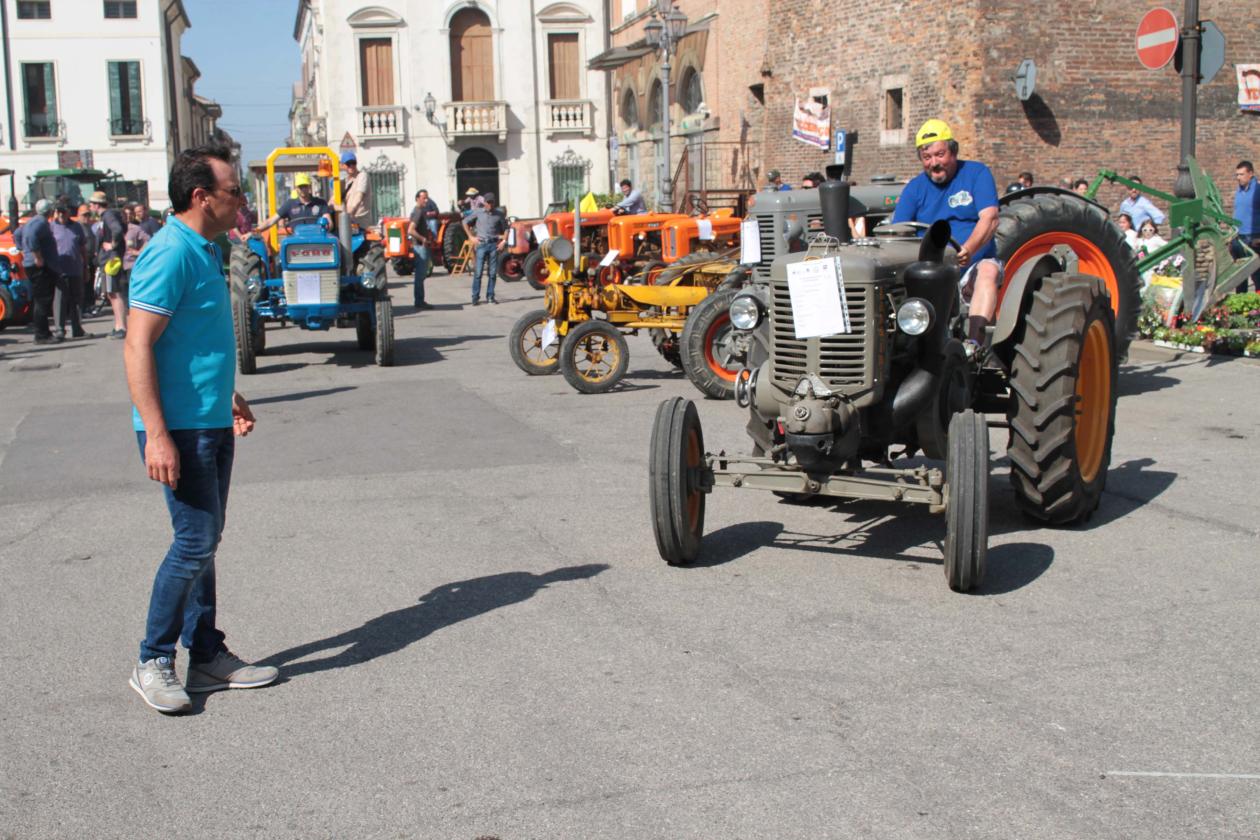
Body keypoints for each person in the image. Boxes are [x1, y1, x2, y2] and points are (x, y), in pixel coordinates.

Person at [123, 143, 277, 715]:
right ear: (201, 195)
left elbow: (196, 342)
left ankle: (206, 655)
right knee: (194, 541)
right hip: (179, 427)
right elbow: (138, 344)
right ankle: (153, 659)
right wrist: (157, 434)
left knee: (205, 541)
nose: (242, 200)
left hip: (207, 417)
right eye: (235, 190)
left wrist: (228, 395)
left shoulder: (207, 248)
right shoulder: (170, 253)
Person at [892, 118, 1001, 353]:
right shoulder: (915, 188)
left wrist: (968, 250)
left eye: (939, 155)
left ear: (953, 151)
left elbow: (990, 218)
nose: (934, 163)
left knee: (989, 271)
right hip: (930, 267)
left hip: (972, 265)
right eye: (927, 157)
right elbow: (898, 230)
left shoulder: (976, 173)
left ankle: (974, 346)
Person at [17, 199, 61, 344]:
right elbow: (30, 237)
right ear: (49, 211)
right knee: (42, 300)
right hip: (38, 266)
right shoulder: (40, 222)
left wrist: (23, 249)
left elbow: (18, 233)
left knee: (41, 300)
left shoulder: (32, 221)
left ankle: (44, 333)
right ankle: (41, 335)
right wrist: (37, 256)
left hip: (34, 265)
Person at [91, 190, 129, 338]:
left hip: (110, 260)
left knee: (114, 292)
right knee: (112, 292)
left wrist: (112, 245)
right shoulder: (109, 215)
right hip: (110, 259)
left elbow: (118, 230)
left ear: (96, 205)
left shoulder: (107, 215)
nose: (91, 207)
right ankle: (119, 325)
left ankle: (121, 327)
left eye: (92, 204)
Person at [461, 191, 508, 306]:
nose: (490, 205)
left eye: (492, 202)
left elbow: (506, 228)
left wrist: (503, 241)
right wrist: (471, 237)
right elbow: (464, 222)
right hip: (481, 245)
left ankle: (490, 297)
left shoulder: (499, 214)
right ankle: (475, 297)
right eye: (488, 202)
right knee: (478, 273)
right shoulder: (478, 212)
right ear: (484, 202)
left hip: (493, 246)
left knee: (492, 273)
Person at [50, 201, 88, 339]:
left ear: (68, 213)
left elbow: (82, 248)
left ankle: (77, 329)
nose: (61, 214)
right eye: (58, 212)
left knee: (76, 301)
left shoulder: (76, 226)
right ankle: (59, 330)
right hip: (59, 270)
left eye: (63, 212)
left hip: (75, 269)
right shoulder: (51, 227)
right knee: (59, 300)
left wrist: (85, 268)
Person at [252, 173, 331, 235]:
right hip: (296, 242)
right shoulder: (290, 204)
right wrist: (255, 231)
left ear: (309, 187)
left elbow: (328, 222)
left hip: (317, 239)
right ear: (296, 188)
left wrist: (327, 225)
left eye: (305, 186)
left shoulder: (321, 203)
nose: (303, 189)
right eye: (300, 187)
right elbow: (271, 221)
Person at [1230, 160, 1259, 293]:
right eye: (1237, 175)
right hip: (1238, 237)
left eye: (1241, 174)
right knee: (1240, 275)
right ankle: (1241, 304)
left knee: (1256, 274)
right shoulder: (1239, 191)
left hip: (1253, 237)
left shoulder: (1258, 190)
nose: (1238, 178)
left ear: (1251, 174)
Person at [405, 190, 436, 309]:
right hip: (419, 247)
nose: (426, 200)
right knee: (420, 275)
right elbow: (411, 230)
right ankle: (419, 301)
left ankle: (419, 300)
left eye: (427, 198)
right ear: (417, 198)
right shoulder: (418, 212)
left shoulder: (419, 211)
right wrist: (423, 239)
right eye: (424, 198)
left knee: (421, 275)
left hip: (420, 246)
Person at [341, 150, 372, 231]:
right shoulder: (346, 182)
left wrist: (350, 212)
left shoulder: (362, 176)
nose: (351, 166)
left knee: (353, 242)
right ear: (343, 165)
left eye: (353, 163)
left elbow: (359, 196)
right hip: (349, 222)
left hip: (360, 223)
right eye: (348, 164)